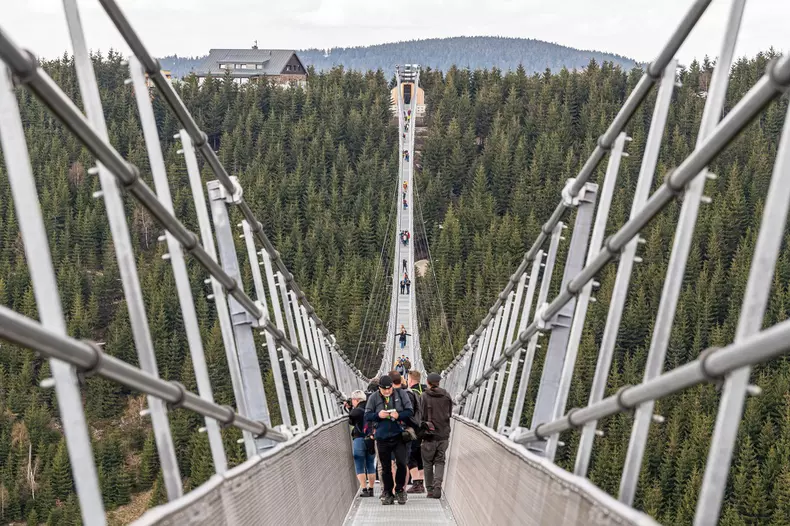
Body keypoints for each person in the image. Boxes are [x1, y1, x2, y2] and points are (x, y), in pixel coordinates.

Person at [365, 375, 413, 505]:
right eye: (384, 389)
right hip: (382, 437)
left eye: (389, 388)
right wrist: (378, 415)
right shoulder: (374, 397)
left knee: (402, 463)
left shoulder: (401, 394)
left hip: (399, 436)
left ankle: (400, 490)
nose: (387, 391)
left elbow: (410, 411)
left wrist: (399, 415)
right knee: (385, 467)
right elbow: (367, 415)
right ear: (379, 388)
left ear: (392, 386)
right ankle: (388, 493)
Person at [420, 373, 454, 499]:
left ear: (428, 382)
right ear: (439, 382)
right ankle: (438, 485)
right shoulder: (447, 395)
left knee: (427, 463)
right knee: (440, 461)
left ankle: (429, 489)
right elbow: (449, 413)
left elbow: (420, 415)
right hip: (443, 434)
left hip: (429, 435)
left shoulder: (423, 396)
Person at [348, 390, 376, 497]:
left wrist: (350, 409)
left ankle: (364, 489)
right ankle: (372, 489)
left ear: (356, 400)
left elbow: (351, 421)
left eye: (353, 400)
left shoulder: (356, 411)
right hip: (371, 439)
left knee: (359, 463)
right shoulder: (371, 408)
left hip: (359, 439)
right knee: (370, 463)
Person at [406, 371, 429, 493]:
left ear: (410, 380)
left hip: (415, 427)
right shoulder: (427, 391)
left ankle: (416, 482)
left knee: (410, 454)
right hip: (426, 427)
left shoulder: (411, 394)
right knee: (420, 455)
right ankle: (421, 482)